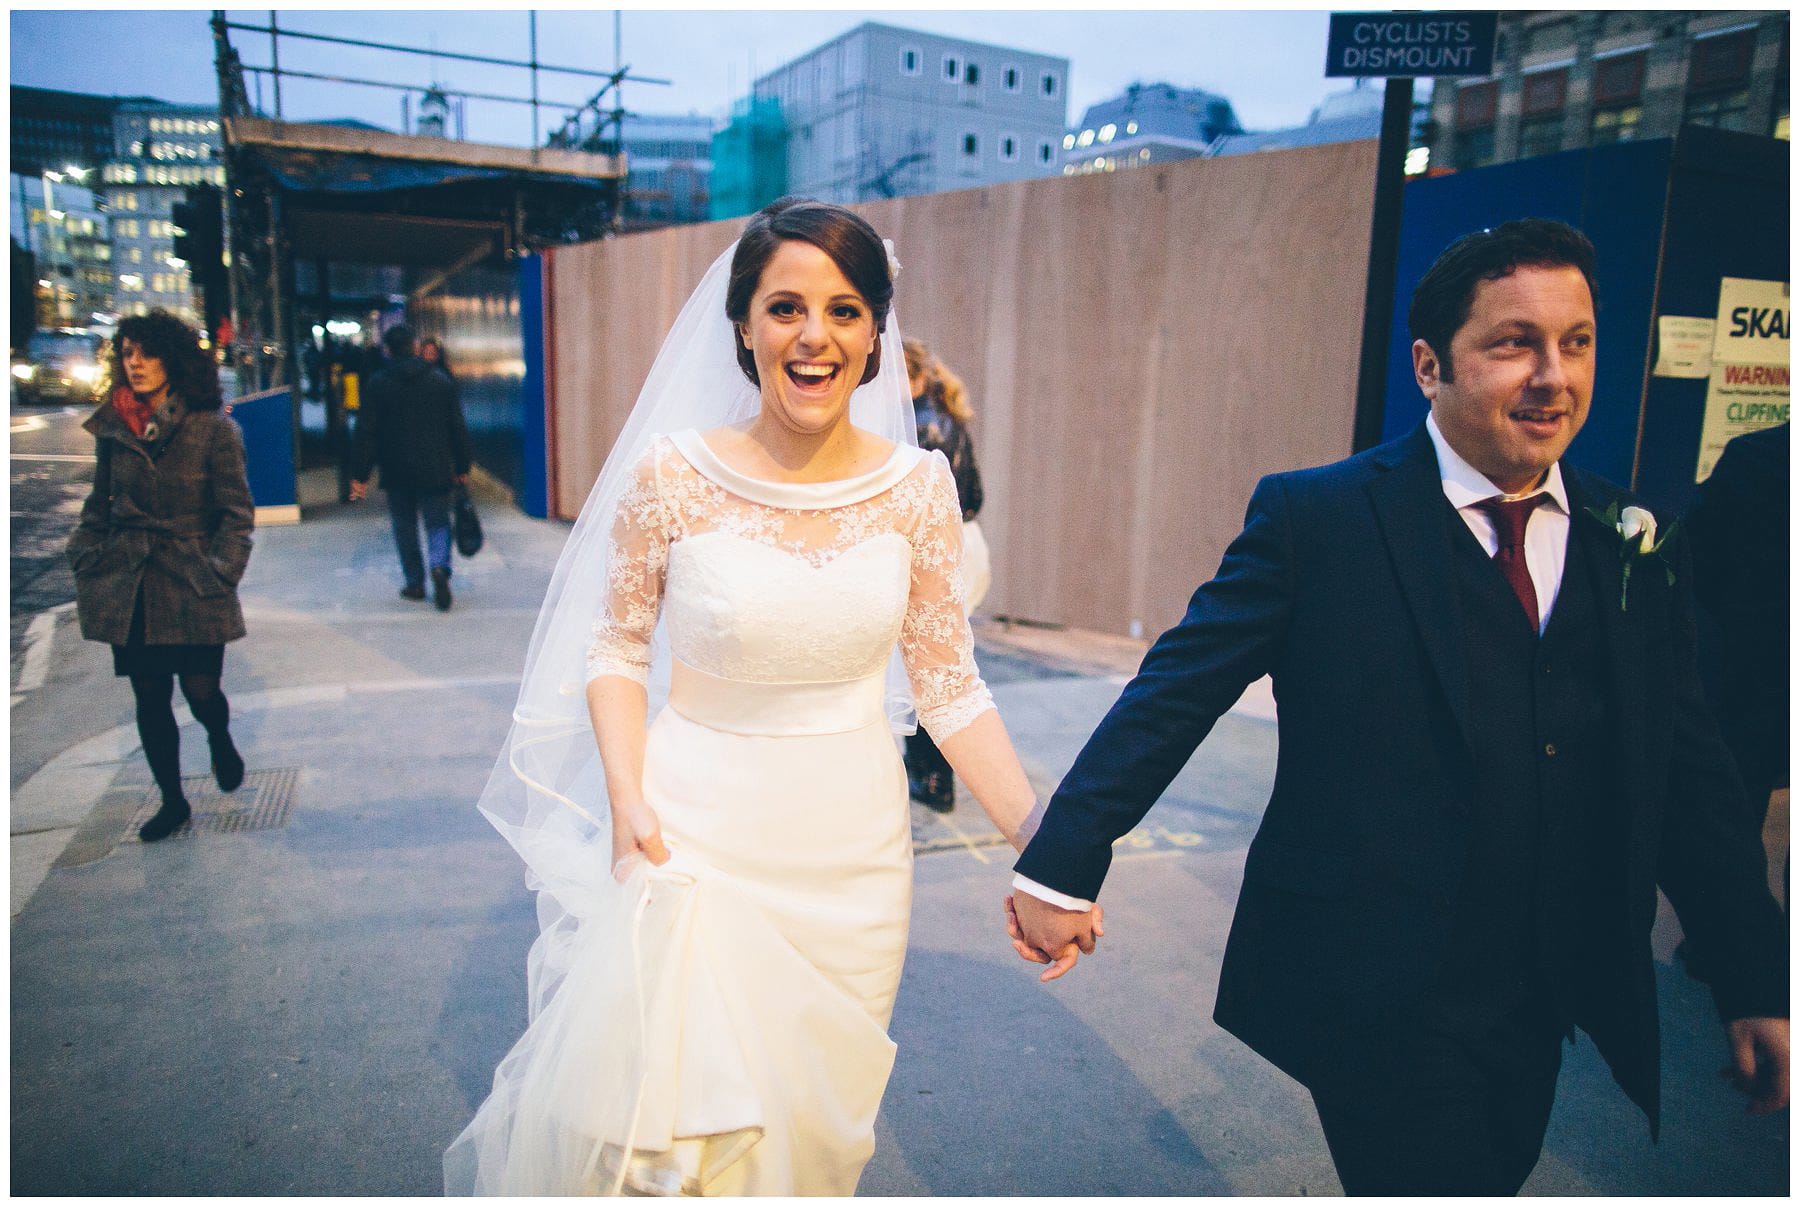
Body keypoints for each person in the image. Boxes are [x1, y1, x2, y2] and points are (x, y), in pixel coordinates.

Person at [1006, 219, 1789, 1194]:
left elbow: (1689, 771)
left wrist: (1757, 976)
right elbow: (1179, 686)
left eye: (1576, 342)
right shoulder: (1320, 519)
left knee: (1494, 1168)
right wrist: (1063, 861)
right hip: (1377, 988)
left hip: (1547, 990)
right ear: (1430, 364)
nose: (1553, 375)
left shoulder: (1625, 533)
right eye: (1514, 343)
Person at [444, 198, 1042, 1195]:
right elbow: (617, 649)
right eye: (786, 307)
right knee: (680, 1156)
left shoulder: (919, 489)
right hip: (692, 848)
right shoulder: (672, 476)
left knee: (814, 1147)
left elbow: (950, 685)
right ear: (744, 325)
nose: (815, 336)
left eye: (845, 310)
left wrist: (1044, 836)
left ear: (875, 336)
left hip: (853, 872)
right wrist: (629, 797)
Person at [66, 309, 255, 842]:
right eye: (127, 354)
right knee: (149, 697)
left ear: (172, 360)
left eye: (146, 353)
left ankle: (219, 737)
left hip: (192, 581)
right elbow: (97, 504)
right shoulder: (112, 427)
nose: (136, 363)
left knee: (201, 694)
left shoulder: (212, 427)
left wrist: (221, 572)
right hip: (132, 583)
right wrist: (85, 552)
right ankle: (173, 802)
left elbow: (236, 515)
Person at [901, 337, 989, 812]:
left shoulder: (917, 423)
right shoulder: (947, 414)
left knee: (922, 666)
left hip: (942, 546)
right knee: (939, 659)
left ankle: (932, 780)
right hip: (968, 543)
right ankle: (938, 778)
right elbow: (975, 495)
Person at [348, 324, 470, 611]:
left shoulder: (378, 383)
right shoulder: (440, 381)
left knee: (405, 527)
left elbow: (366, 432)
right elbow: (457, 427)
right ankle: (439, 566)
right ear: (415, 347)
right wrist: (462, 463)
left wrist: (359, 475)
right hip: (436, 466)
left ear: (388, 350)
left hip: (396, 468)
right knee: (438, 523)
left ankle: (415, 583)